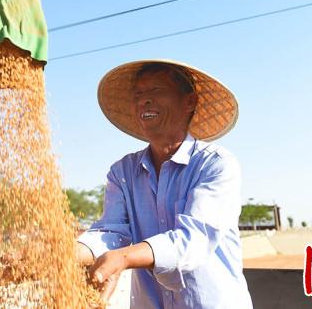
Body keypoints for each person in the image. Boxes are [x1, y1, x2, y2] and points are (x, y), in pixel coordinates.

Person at [76, 60, 252, 308]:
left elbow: (194, 240)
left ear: (188, 101)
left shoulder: (216, 165)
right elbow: (112, 232)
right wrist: (70, 254)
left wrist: (123, 258)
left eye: (156, 90)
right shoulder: (122, 172)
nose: (144, 100)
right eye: (138, 94)